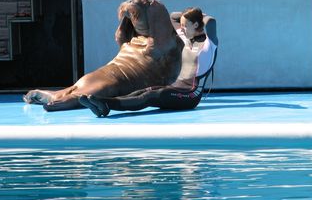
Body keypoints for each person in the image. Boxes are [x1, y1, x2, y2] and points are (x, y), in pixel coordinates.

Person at [79, 7, 218, 117]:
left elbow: (211, 21)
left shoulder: (209, 44)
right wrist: (187, 16)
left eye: (185, 25)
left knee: (150, 96)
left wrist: (199, 15)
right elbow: (172, 16)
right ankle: (101, 103)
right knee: (143, 91)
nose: (181, 29)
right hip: (175, 87)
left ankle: (105, 104)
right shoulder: (186, 37)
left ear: (196, 24)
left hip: (191, 94)